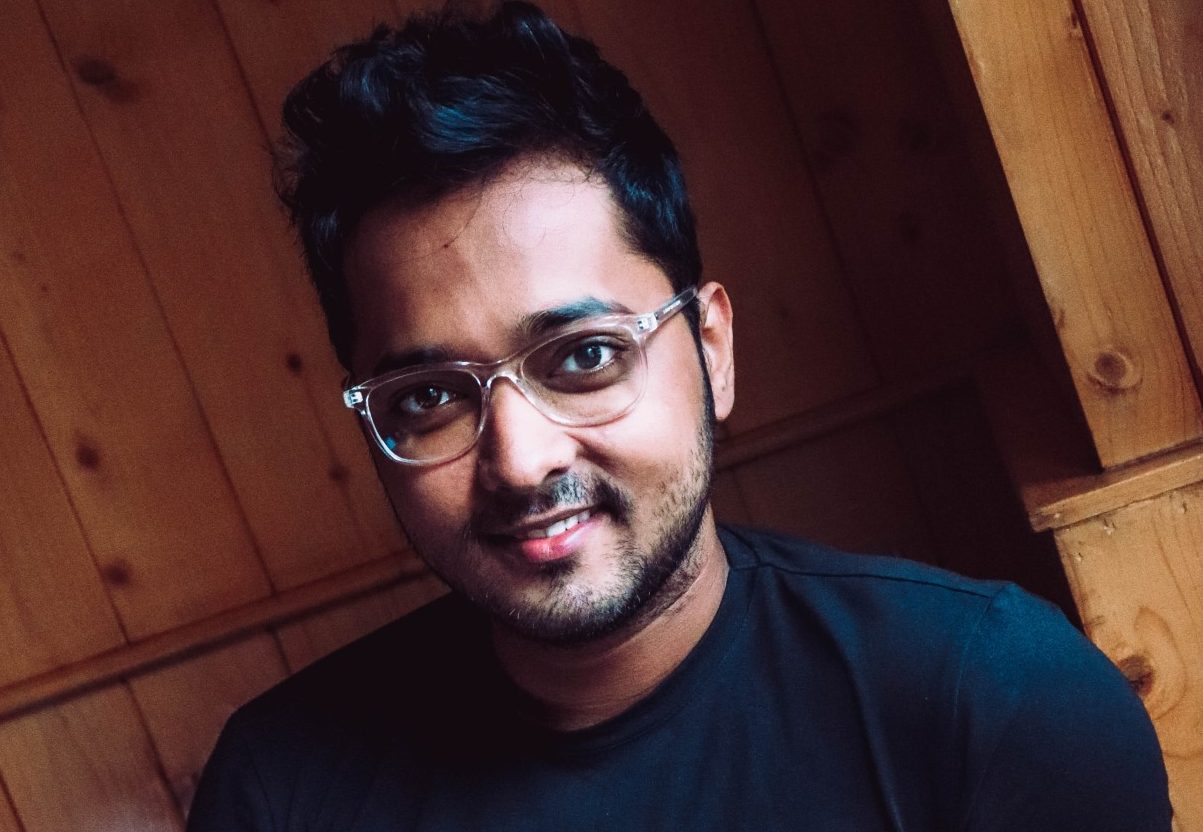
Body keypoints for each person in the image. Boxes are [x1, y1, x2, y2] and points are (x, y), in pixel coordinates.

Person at [189, 3, 1171, 829]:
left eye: (584, 356)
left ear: (711, 349)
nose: (521, 460)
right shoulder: (282, 791)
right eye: (430, 397)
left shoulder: (993, 701)